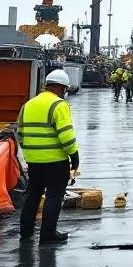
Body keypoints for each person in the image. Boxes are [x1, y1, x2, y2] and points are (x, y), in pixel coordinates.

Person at [17, 69, 79, 245]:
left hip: (34, 160)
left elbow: (20, 133)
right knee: (53, 196)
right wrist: (74, 156)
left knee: (33, 195)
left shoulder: (28, 105)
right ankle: (48, 234)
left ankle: (26, 231)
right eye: (65, 90)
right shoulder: (59, 105)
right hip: (55, 161)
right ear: (60, 88)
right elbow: (66, 136)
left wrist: (31, 153)